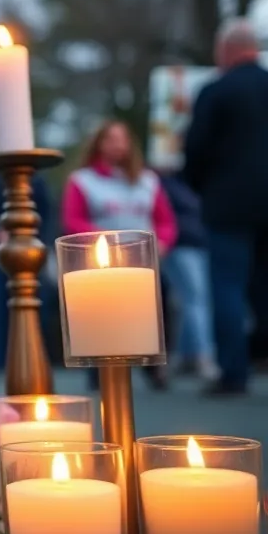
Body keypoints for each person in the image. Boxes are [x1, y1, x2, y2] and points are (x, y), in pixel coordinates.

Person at [183, 18, 268, 396]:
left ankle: (234, 372)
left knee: (228, 287)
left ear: (227, 51)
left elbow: (196, 150)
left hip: (229, 204)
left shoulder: (216, 92)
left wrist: (200, 186)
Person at [63, 120, 177, 389]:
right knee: (99, 314)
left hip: (143, 262)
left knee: (161, 307)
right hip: (101, 261)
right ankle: (98, 367)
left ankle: (154, 367)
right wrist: (104, 237)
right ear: (99, 144)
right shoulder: (83, 181)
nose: (117, 145)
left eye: (122, 139)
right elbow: (72, 219)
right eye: (111, 139)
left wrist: (162, 242)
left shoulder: (148, 181)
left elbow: (165, 220)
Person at [0, 170, 53, 378]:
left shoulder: (36, 180)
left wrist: (35, 236)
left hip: (28, 248)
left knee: (32, 302)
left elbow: (47, 213)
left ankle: (32, 359)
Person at [159, 172, 218, 380]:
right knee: (196, 299)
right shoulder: (165, 181)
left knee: (189, 301)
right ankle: (204, 356)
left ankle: (185, 356)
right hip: (181, 244)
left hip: (201, 243)